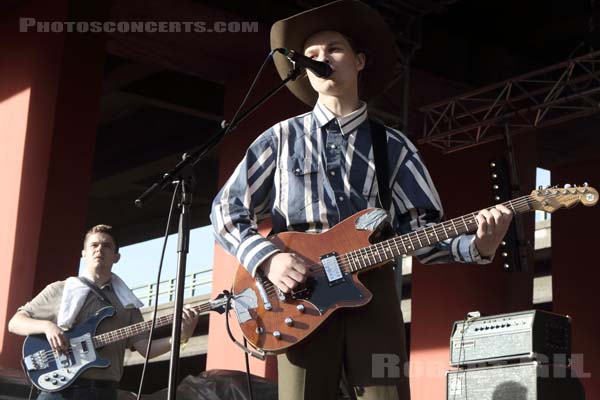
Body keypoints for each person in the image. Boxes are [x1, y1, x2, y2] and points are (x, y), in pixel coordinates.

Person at [210, 1, 513, 399]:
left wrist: (476, 246)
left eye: (333, 49)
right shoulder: (280, 138)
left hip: (373, 287)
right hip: (295, 291)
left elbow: (420, 232)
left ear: (359, 60)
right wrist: (269, 257)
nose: (322, 59)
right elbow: (225, 209)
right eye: (312, 56)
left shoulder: (394, 146)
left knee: (384, 392)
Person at [8, 224, 200, 400]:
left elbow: (146, 350)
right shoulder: (59, 289)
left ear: (116, 256)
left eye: (107, 246)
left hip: (104, 392)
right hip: (59, 392)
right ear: (84, 253)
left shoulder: (127, 302)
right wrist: (48, 327)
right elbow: (15, 322)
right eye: (94, 245)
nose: (100, 249)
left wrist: (182, 336)